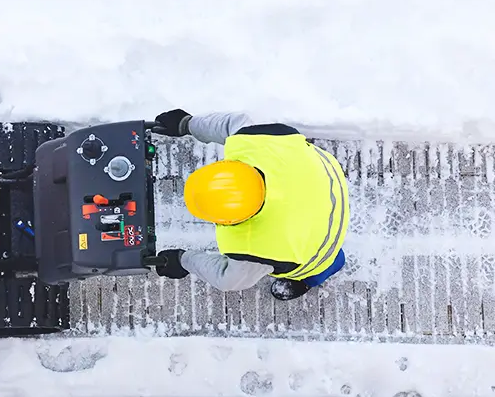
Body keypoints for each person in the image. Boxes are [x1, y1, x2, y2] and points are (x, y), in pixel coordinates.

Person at [147, 108, 350, 301]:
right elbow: (231, 123)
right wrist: (186, 124)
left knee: (318, 261)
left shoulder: (257, 253)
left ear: (230, 221)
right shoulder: (257, 141)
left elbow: (227, 280)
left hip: (323, 238)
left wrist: (183, 261)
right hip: (327, 177)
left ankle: (321, 271)